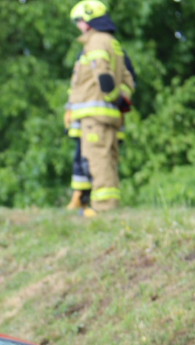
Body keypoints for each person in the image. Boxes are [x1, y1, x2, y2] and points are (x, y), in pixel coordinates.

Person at [68, 1, 134, 216]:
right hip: (109, 114)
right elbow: (127, 78)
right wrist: (122, 99)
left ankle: (103, 207)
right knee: (108, 158)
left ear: (87, 22)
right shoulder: (113, 43)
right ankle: (110, 206)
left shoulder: (95, 42)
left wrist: (113, 96)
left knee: (97, 158)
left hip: (95, 114)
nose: (78, 26)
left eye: (79, 21)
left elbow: (103, 74)